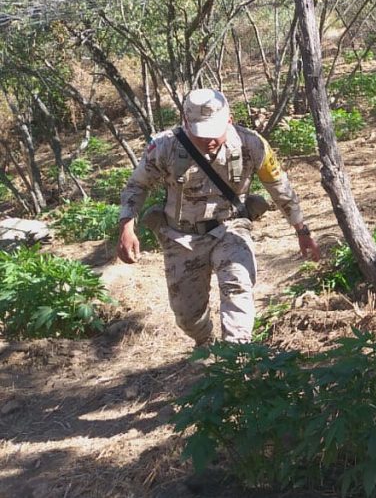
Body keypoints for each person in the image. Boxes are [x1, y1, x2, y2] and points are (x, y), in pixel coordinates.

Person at [117, 88, 320, 346]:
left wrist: (302, 231)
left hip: (230, 228)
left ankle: (237, 358)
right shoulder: (165, 146)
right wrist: (126, 227)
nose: (209, 141)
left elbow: (279, 187)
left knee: (238, 285)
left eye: (215, 132)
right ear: (186, 122)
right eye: (201, 134)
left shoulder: (251, 144)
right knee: (187, 317)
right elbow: (137, 186)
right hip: (182, 237)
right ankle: (205, 342)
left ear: (229, 120)